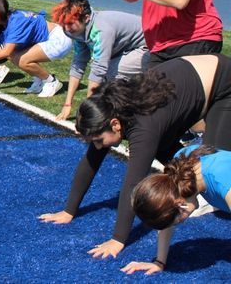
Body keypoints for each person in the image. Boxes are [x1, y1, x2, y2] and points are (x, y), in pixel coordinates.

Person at [38, 54, 231, 260]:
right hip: (187, 83)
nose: (97, 147)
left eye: (98, 140)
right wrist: (69, 210)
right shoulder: (112, 111)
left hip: (224, 82)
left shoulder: (143, 128)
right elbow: (91, 161)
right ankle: (192, 195)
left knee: (215, 164)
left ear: (115, 124)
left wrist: (118, 239)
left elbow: (132, 182)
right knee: (180, 166)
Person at [121, 145, 231, 275]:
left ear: (179, 204)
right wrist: (159, 262)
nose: (179, 223)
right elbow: (166, 220)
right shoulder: (181, 164)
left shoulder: (221, 180)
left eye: (177, 222)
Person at [51, 0, 149, 120]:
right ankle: (110, 110)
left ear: (86, 18)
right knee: (102, 82)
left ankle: (127, 112)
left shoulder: (102, 29)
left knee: (109, 73)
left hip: (148, 46)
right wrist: (67, 103)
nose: (67, 29)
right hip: (124, 48)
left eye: (70, 24)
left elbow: (99, 69)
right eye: (63, 24)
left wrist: (87, 112)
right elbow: (78, 63)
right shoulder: (72, 30)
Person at [0, 0, 71, 97]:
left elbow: (5, 52)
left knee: (22, 59)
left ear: (0, 10)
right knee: (13, 55)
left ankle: (51, 81)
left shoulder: (16, 22)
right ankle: (39, 80)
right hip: (46, 39)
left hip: (58, 39)